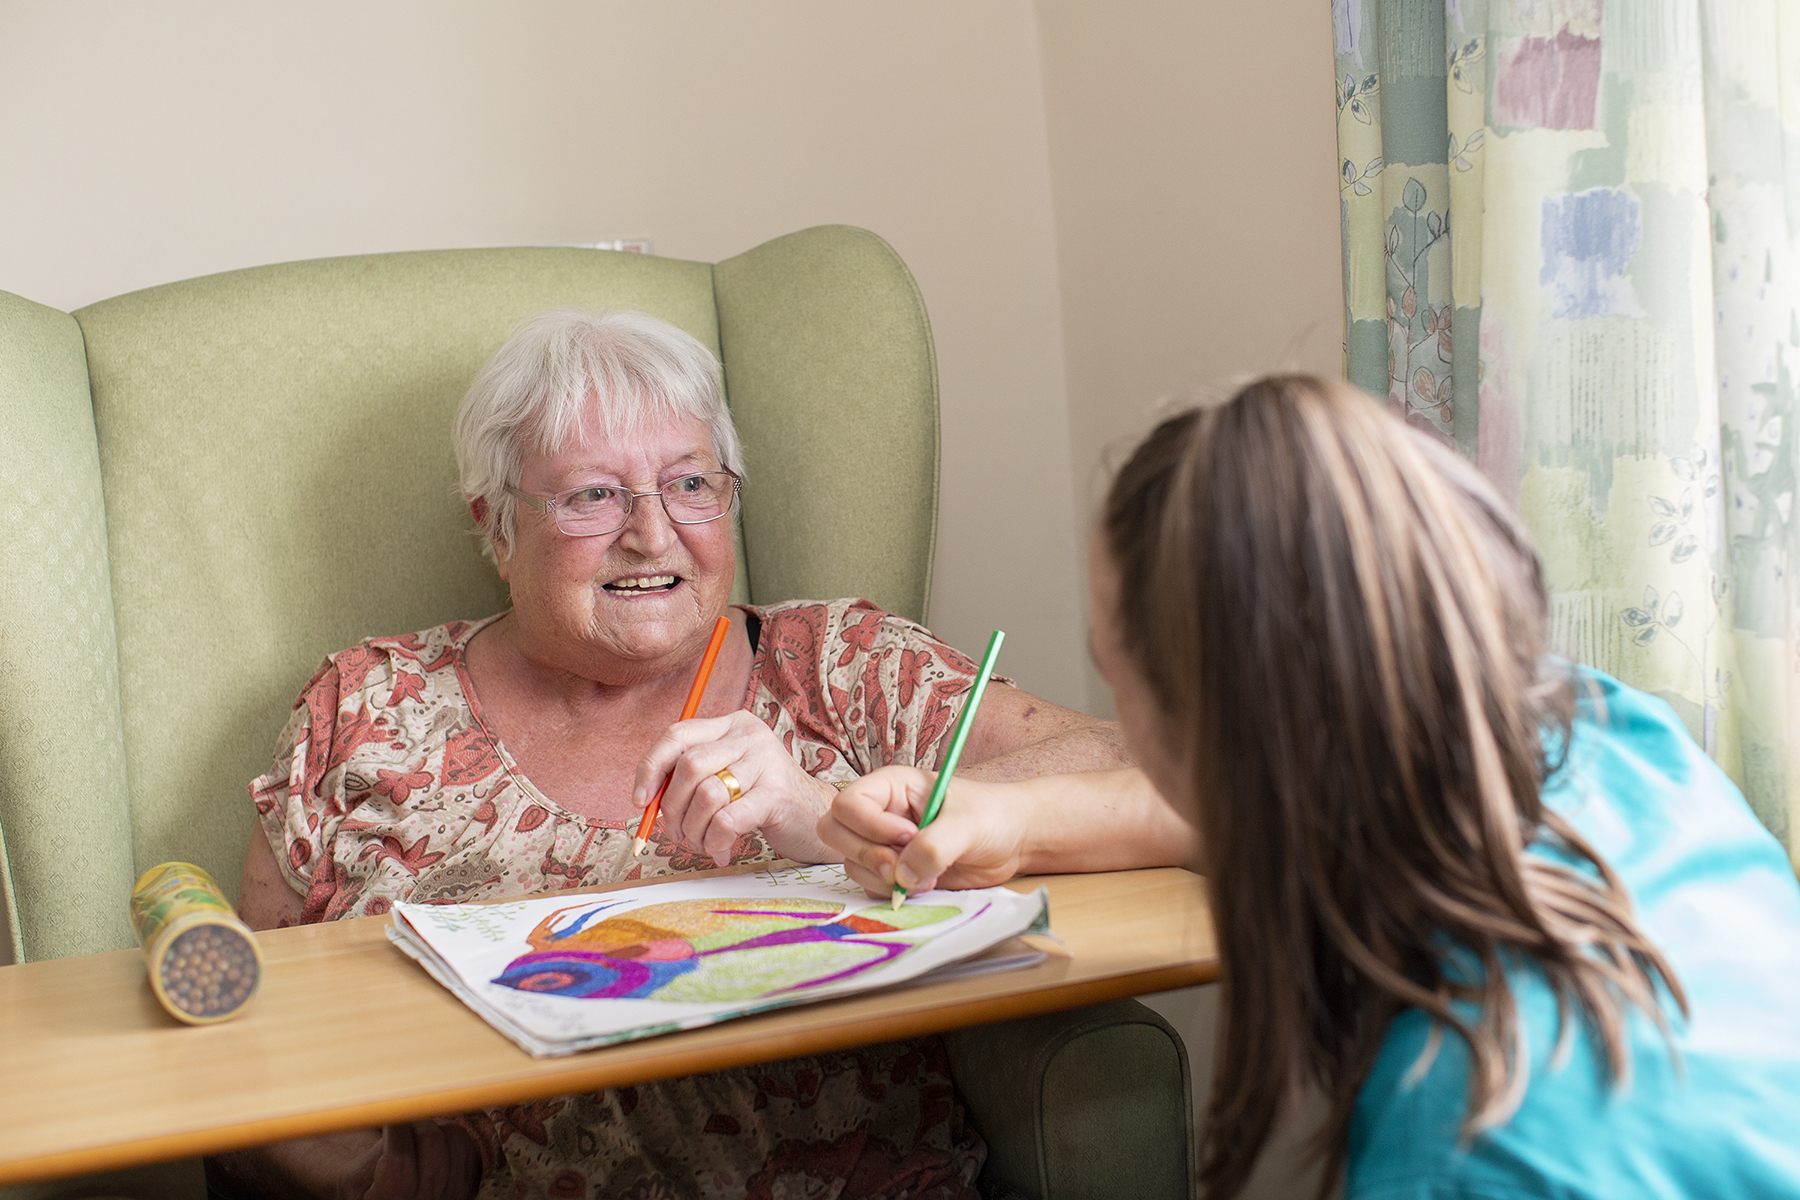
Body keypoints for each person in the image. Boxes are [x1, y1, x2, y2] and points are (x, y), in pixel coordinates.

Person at [220, 307, 1190, 1200]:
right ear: (496, 524)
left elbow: (1154, 773)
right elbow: (239, 1033)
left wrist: (835, 814)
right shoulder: (366, 712)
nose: (652, 534)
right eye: (595, 496)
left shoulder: (841, 667)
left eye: (690, 483)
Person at [824, 374, 1800, 1198]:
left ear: (1208, 724)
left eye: (1110, 668)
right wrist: (1020, 818)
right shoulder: (1600, 726)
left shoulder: (1453, 1137)